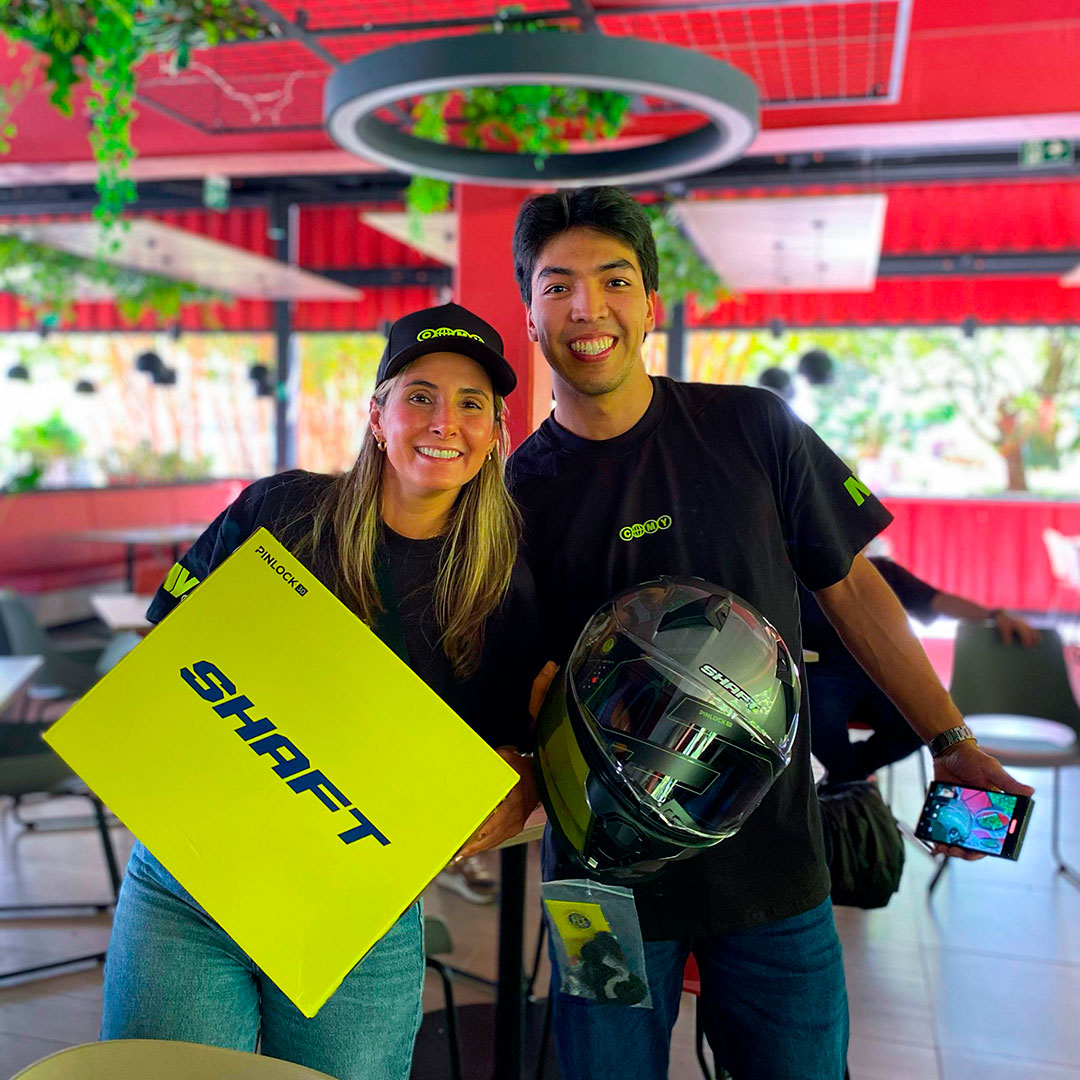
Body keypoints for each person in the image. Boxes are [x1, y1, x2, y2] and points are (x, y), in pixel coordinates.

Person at [507, 187, 1034, 1080]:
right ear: (529, 314)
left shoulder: (751, 427)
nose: (587, 309)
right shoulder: (513, 499)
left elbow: (853, 587)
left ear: (650, 305)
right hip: (599, 888)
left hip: (774, 871)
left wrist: (951, 741)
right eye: (558, 287)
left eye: (614, 281)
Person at [100, 302, 544, 1080]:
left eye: (471, 404)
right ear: (377, 417)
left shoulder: (501, 583)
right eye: (419, 396)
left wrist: (515, 785)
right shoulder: (280, 511)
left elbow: (505, 756)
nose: (444, 421)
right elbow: (163, 648)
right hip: (192, 877)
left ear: (493, 433)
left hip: (353, 906)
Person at [803, 553, 1039, 782]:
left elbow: (938, 601)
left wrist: (993, 615)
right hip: (822, 670)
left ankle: (849, 776)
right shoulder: (805, 572)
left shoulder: (882, 571)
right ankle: (849, 781)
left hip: (881, 674)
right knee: (819, 719)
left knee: (927, 721)